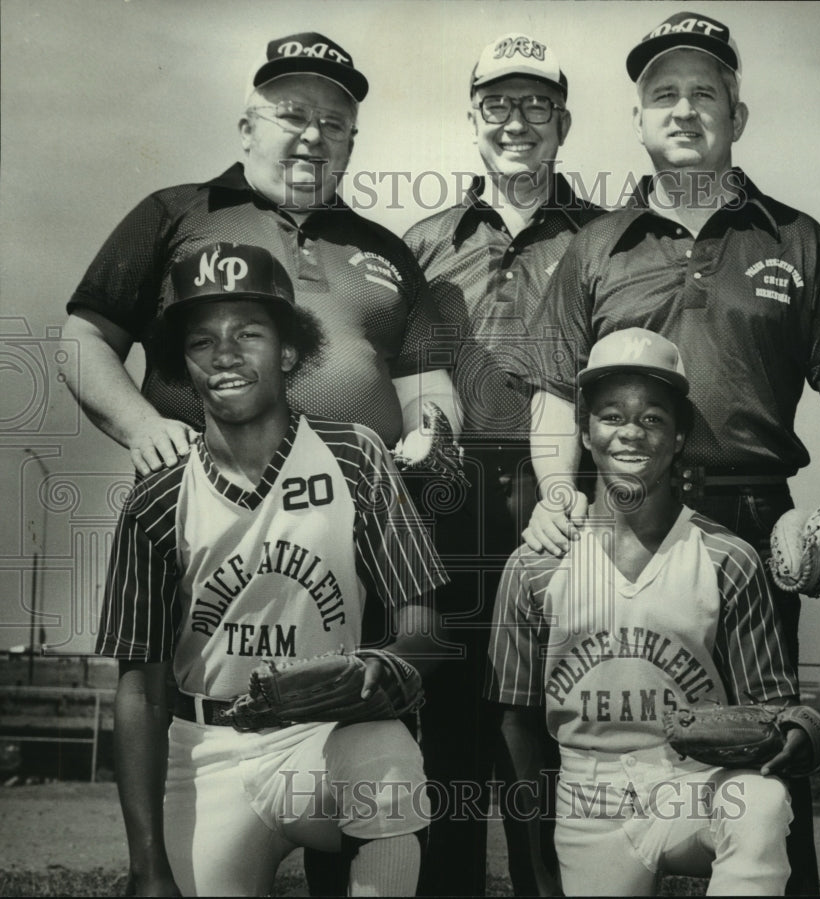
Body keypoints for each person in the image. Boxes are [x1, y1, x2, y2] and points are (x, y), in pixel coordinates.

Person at [520, 10, 820, 893]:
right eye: (664, 94)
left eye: (706, 92)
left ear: (738, 115)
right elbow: (553, 391)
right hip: (618, 516)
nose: (685, 108)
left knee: (762, 744)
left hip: (749, 518)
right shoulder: (596, 245)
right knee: (607, 728)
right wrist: (557, 490)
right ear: (639, 117)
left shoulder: (795, 237)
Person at [95, 242, 447, 897]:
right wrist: (146, 868)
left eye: (249, 333)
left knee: (388, 760)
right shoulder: (157, 497)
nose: (225, 353)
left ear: (288, 351)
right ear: (183, 361)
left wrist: (378, 670)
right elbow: (139, 689)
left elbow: (422, 627)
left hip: (327, 736)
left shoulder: (355, 458)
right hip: (208, 748)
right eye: (203, 340)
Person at [487, 328, 815, 896]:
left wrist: (801, 726)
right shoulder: (535, 565)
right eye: (611, 416)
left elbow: (772, 710)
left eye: (654, 419)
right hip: (587, 792)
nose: (630, 433)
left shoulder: (727, 558)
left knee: (761, 803)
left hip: (695, 781)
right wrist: (532, 861)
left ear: (681, 435)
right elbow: (515, 721)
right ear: (585, 431)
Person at [60, 31, 459, 478]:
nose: (313, 136)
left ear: (351, 143)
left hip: (358, 508)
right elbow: (85, 340)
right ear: (247, 130)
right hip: (203, 498)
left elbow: (425, 383)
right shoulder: (173, 213)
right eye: (292, 116)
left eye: (333, 124)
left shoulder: (390, 250)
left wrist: (429, 433)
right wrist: (141, 427)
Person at [401, 33, 605, 896]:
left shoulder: (608, 237)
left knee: (547, 738)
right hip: (446, 502)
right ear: (473, 117)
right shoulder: (421, 241)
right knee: (443, 743)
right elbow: (400, 378)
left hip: (562, 495)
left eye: (535, 105)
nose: (515, 121)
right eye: (497, 103)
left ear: (563, 120)